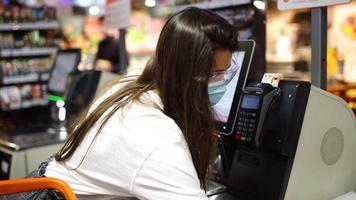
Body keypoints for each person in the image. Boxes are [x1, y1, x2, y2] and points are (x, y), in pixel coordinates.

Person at [2, 7, 239, 200]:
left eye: (229, 73)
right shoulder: (157, 137)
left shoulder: (128, 87)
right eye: (217, 75)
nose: (223, 83)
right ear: (189, 76)